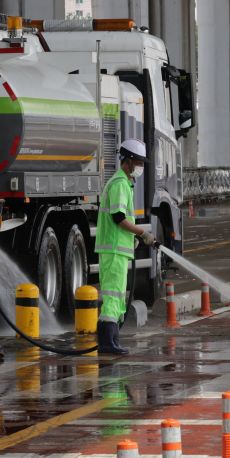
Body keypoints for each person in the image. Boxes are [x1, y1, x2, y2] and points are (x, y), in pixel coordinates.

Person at [95, 138, 156, 355]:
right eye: (139, 163)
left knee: (118, 296)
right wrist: (142, 233)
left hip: (117, 249)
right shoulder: (120, 184)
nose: (140, 167)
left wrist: (131, 238)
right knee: (113, 297)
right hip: (113, 249)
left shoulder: (124, 183)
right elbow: (119, 217)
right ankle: (106, 343)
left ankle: (111, 342)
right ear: (129, 161)